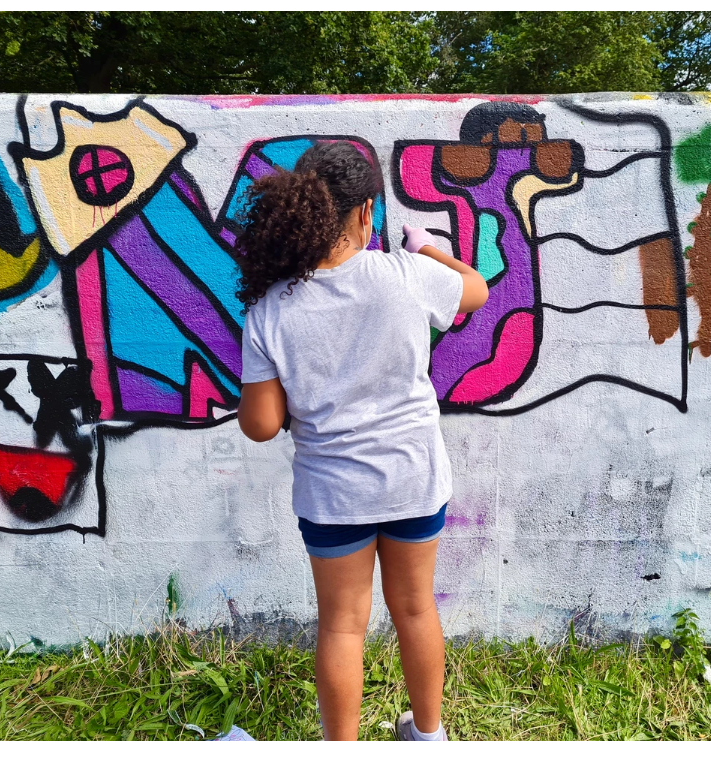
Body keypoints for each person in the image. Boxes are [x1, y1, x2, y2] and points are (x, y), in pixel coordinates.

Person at [233, 141, 488, 741]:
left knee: (343, 627)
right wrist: (429, 250)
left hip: (332, 495)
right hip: (413, 478)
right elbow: (475, 289)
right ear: (365, 213)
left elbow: (263, 424)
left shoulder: (271, 309)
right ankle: (427, 737)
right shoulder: (405, 276)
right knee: (417, 610)